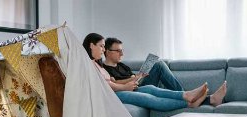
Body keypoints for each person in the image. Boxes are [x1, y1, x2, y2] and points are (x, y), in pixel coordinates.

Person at [83, 33, 213, 111]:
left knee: (151, 88)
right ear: (91, 45)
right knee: (149, 97)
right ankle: (189, 102)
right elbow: (107, 85)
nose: (103, 49)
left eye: (104, 46)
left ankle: (186, 95)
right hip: (114, 95)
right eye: (101, 46)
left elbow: (109, 81)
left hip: (124, 89)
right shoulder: (89, 65)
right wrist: (125, 85)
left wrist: (133, 79)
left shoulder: (97, 65)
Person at [103, 37, 227, 107]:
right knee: (159, 65)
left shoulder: (123, 66)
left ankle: (190, 96)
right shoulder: (104, 69)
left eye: (122, 50)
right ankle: (195, 97)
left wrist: (139, 76)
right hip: (131, 89)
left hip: (137, 85)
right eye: (118, 51)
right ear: (107, 52)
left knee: (158, 64)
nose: (122, 53)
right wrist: (134, 78)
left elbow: (133, 78)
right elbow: (115, 84)